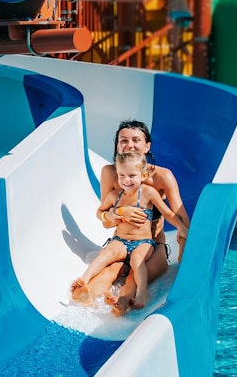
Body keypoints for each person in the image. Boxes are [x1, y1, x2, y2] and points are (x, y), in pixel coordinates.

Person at [74, 119, 191, 315]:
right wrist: (121, 212)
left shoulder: (162, 177)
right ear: (117, 146)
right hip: (122, 242)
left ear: (147, 146)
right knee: (110, 271)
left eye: (136, 140)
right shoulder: (110, 173)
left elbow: (180, 218)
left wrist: (185, 253)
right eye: (123, 140)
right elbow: (105, 220)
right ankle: (85, 294)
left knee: (133, 279)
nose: (129, 145)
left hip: (152, 248)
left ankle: (123, 303)